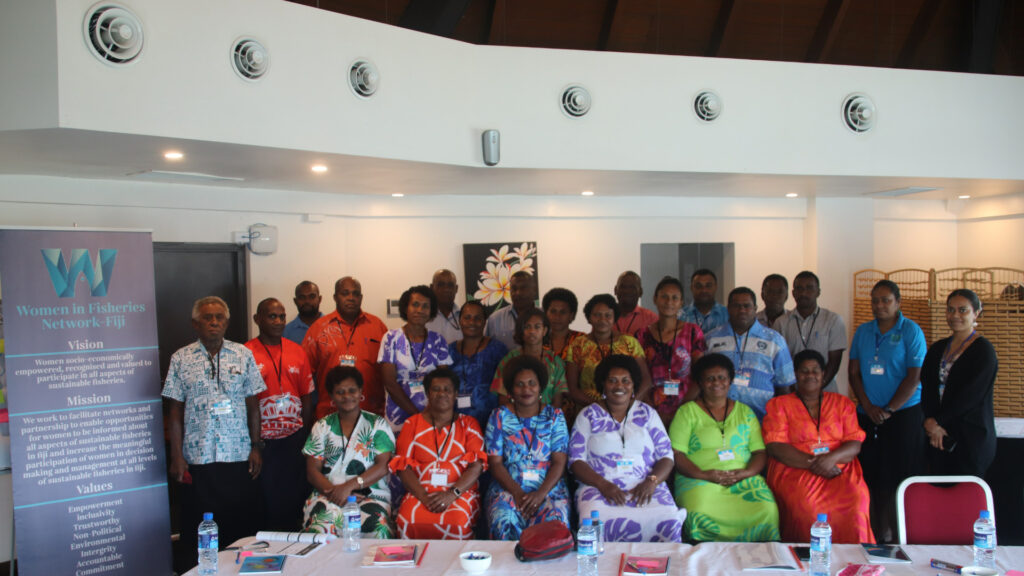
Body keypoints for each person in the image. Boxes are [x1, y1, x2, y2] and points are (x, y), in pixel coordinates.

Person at [163, 296, 266, 553]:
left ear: (227, 322)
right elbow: (174, 411)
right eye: (207, 318)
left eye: (219, 317)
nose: (214, 322)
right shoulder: (181, 358)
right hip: (198, 457)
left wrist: (256, 446)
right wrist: (176, 456)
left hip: (237, 454)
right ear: (195, 324)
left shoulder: (243, 355)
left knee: (240, 526)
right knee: (200, 529)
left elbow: (253, 405)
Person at [569, 355, 684, 542]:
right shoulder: (588, 415)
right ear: (603, 384)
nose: (619, 386)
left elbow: (666, 456)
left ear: (633, 385)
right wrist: (603, 485)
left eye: (625, 381)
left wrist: (652, 481)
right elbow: (576, 461)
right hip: (599, 485)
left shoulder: (647, 413)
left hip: (645, 484)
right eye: (612, 380)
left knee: (669, 517)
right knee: (595, 520)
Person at [763, 350, 873, 544]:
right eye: (804, 371)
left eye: (815, 370)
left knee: (857, 503)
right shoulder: (779, 405)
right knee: (808, 509)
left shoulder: (842, 403)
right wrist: (815, 463)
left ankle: (854, 559)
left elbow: (854, 443)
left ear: (823, 374)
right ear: (795, 375)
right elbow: (776, 446)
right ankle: (808, 558)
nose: (810, 375)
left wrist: (830, 459)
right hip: (795, 468)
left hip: (839, 468)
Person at [669, 353, 780, 542]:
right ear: (700, 383)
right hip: (698, 478)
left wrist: (746, 473)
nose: (716, 383)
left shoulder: (745, 412)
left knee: (767, 509)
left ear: (730, 381)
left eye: (722, 377)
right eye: (710, 378)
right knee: (697, 510)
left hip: (743, 478)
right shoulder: (686, 412)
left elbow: (759, 452)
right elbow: (677, 454)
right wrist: (704, 475)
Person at [849, 279, 927, 542]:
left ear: (898, 302)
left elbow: (914, 376)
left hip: (903, 415)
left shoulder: (911, 331)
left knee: (899, 476)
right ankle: (874, 532)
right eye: (875, 301)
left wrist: (889, 409)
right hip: (868, 415)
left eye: (885, 300)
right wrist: (869, 407)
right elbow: (854, 373)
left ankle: (899, 534)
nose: (879, 305)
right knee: (870, 475)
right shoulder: (863, 331)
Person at [390, 367, 486, 539]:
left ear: (455, 394)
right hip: (421, 493)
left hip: (460, 493)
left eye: (447, 389)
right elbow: (403, 467)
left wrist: (452, 494)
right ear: (427, 393)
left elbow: (476, 466)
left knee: (457, 522)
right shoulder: (412, 424)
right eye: (436, 389)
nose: (442, 394)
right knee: (407, 520)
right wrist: (424, 497)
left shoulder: (469, 424)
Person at [245, 298, 315, 531]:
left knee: (294, 495)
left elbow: (306, 395)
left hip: (294, 438)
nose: (278, 321)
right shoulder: (245, 353)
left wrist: (305, 433)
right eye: (271, 316)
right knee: (266, 499)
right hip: (263, 441)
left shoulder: (297, 351)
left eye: (282, 316)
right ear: (257, 319)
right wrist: (254, 443)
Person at [302, 366, 395, 538]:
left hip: (370, 495)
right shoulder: (322, 426)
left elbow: (383, 466)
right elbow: (312, 471)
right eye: (340, 392)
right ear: (331, 396)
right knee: (321, 525)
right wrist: (336, 492)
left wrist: (349, 487)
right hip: (328, 494)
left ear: (361, 392)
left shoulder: (377, 424)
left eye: (352, 390)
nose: (347, 396)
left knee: (377, 527)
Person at [485, 355, 570, 540]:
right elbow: (495, 463)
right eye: (520, 384)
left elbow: (559, 462)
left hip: (548, 488)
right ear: (511, 389)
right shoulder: (499, 416)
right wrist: (517, 493)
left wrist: (540, 494)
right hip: (508, 487)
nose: (526, 389)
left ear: (540, 387)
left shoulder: (555, 416)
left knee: (556, 521)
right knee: (503, 520)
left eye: (532, 383)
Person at [921, 289, 998, 477]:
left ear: (976, 313)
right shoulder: (938, 348)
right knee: (938, 489)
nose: (955, 315)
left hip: (970, 436)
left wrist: (938, 421)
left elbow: (972, 395)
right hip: (937, 435)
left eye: (963, 310)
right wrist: (931, 423)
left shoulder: (984, 350)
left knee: (967, 491)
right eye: (950, 310)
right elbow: (927, 387)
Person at [705, 287, 795, 420]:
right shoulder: (711, 339)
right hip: (718, 419)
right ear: (728, 308)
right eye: (736, 306)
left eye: (747, 306)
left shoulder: (774, 340)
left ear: (755, 308)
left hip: (762, 419)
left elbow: (784, 387)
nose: (742, 310)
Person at [303, 276, 388, 417]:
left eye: (355, 294)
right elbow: (305, 375)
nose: (351, 298)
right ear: (335, 297)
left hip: (371, 412)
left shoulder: (377, 326)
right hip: (330, 412)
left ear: (361, 298)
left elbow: (389, 372)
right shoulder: (318, 328)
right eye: (345, 293)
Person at [379, 285, 454, 430]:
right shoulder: (391, 338)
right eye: (415, 304)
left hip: (432, 416)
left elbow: (444, 381)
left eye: (425, 306)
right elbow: (390, 383)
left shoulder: (438, 340)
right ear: (405, 308)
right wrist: (417, 415)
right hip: (398, 416)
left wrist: (427, 415)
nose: (420, 310)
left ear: (431, 311)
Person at [636, 276, 706, 427]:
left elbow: (700, 375)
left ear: (681, 302)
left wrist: (681, 410)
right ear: (655, 299)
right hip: (649, 412)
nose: (669, 302)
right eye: (664, 297)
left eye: (675, 298)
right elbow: (638, 377)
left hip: (687, 409)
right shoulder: (641, 335)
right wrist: (653, 412)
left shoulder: (693, 332)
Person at [566, 294, 652, 409]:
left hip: (626, 409)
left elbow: (646, 380)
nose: (602, 320)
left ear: (615, 317)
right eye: (597, 315)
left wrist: (628, 404)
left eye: (608, 315)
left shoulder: (629, 342)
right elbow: (572, 389)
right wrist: (601, 407)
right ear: (589, 317)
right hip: (590, 409)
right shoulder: (578, 345)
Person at [773, 271, 847, 392]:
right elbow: (778, 362)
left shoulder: (833, 320)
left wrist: (815, 388)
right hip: (792, 392)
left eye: (809, 288)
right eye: (799, 288)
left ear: (818, 292)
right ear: (793, 293)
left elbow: (834, 362)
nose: (803, 293)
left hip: (825, 391)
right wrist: (794, 391)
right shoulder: (781, 323)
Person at [492, 307, 568, 409]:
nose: (532, 331)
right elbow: (502, 399)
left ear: (544, 331)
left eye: (537, 327)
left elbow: (557, 401)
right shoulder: (508, 360)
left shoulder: (555, 361)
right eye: (527, 327)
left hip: (548, 417)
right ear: (521, 331)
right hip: (514, 417)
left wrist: (544, 418)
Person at [448, 300, 507, 431]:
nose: (472, 322)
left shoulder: (498, 349)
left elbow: (505, 388)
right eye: (467, 318)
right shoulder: (449, 351)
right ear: (460, 321)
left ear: (485, 322)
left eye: (477, 318)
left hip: (490, 422)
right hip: (456, 422)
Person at [485, 270, 537, 350]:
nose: (518, 293)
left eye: (523, 288)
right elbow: (485, 349)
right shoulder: (495, 320)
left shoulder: (545, 317)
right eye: (514, 289)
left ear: (534, 290)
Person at [680, 269, 729, 335]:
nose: (704, 290)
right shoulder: (681, 316)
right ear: (691, 288)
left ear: (716, 287)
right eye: (698, 286)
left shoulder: (727, 315)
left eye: (708, 286)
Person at [542, 287, 585, 361]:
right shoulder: (539, 340)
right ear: (546, 313)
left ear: (571, 315)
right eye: (553, 311)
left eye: (563, 312)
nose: (557, 316)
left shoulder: (582, 340)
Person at [614, 271, 658, 337]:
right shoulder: (605, 317)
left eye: (632, 287)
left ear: (640, 292)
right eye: (623, 287)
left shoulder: (651, 319)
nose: (627, 291)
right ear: (615, 290)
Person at [426, 269, 463, 344]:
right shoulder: (423, 317)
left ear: (456, 289)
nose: (446, 289)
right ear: (431, 287)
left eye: (450, 285)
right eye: (441, 285)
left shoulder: (464, 318)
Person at [284, 280, 323, 344]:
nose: (307, 301)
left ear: (320, 299)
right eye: (302, 297)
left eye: (312, 297)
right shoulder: (286, 332)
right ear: (295, 301)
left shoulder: (333, 326)